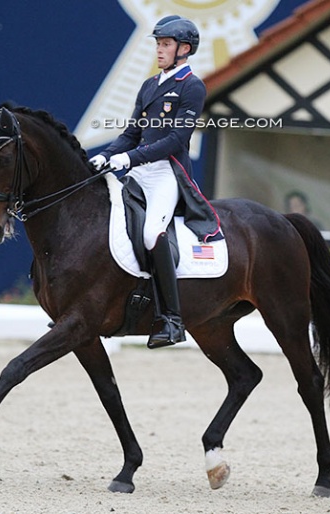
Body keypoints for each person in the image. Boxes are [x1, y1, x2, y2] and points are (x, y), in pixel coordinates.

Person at [89, 15, 222, 349]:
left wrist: (131, 158)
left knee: (151, 233)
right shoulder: (150, 85)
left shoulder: (192, 86)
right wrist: (107, 155)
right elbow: (133, 133)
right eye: (158, 44)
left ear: (184, 49)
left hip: (166, 173)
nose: (159, 50)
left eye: (165, 45)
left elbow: (177, 139)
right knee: (107, 220)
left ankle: (172, 319)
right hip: (140, 172)